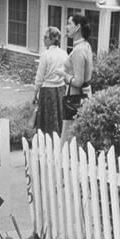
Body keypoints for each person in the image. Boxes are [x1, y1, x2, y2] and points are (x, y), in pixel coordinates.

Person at [54, 14, 94, 145]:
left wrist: (63, 74)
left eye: (69, 23)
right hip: (85, 94)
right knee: (79, 131)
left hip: (75, 96)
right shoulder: (86, 46)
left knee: (70, 133)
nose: (66, 27)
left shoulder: (78, 50)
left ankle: (66, 160)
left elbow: (78, 81)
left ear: (77, 27)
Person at [32, 27, 68, 136]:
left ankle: (48, 142)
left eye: (45, 37)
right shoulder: (64, 54)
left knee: (47, 120)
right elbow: (67, 71)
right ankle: (58, 140)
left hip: (47, 91)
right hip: (61, 90)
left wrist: (35, 93)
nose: (43, 39)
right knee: (59, 117)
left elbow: (40, 76)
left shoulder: (45, 55)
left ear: (52, 39)